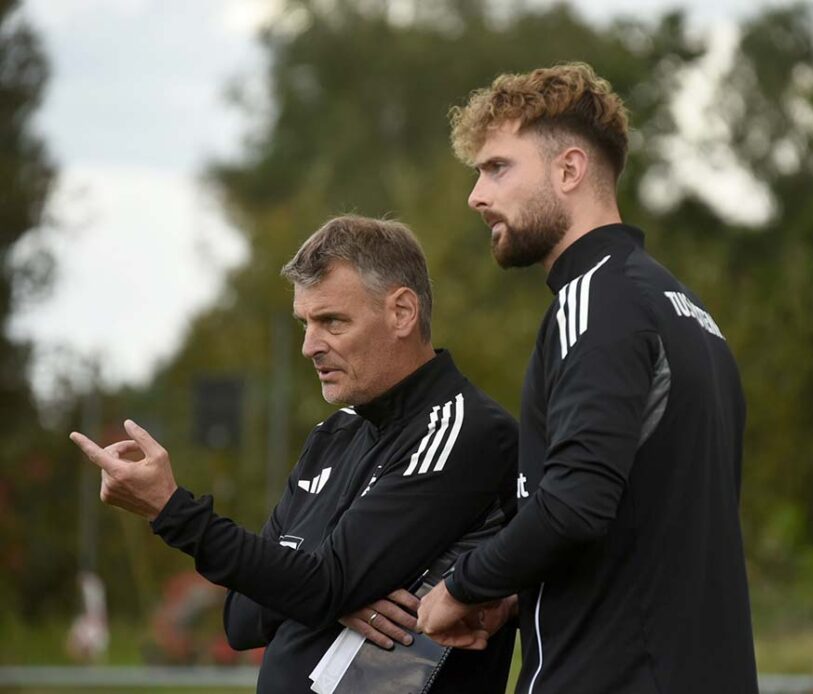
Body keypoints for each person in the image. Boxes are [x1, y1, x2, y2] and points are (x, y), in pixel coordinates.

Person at [417, 63, 759, 693]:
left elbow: (575, 504)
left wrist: (463, 584)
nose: (476, 196)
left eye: (497, 168)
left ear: (569, 170)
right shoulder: (689, 312)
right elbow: (643, 524)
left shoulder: (594, 301)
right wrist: (514, 592)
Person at [71, 215, 518, 693]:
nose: (309, 346)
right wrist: (328, 596)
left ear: (402, 313)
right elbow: (241, 619)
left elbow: (320, 583)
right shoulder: (333, 435)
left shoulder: (462, 429)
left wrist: (171, 509)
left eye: (331, 321)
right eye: (305, 323)